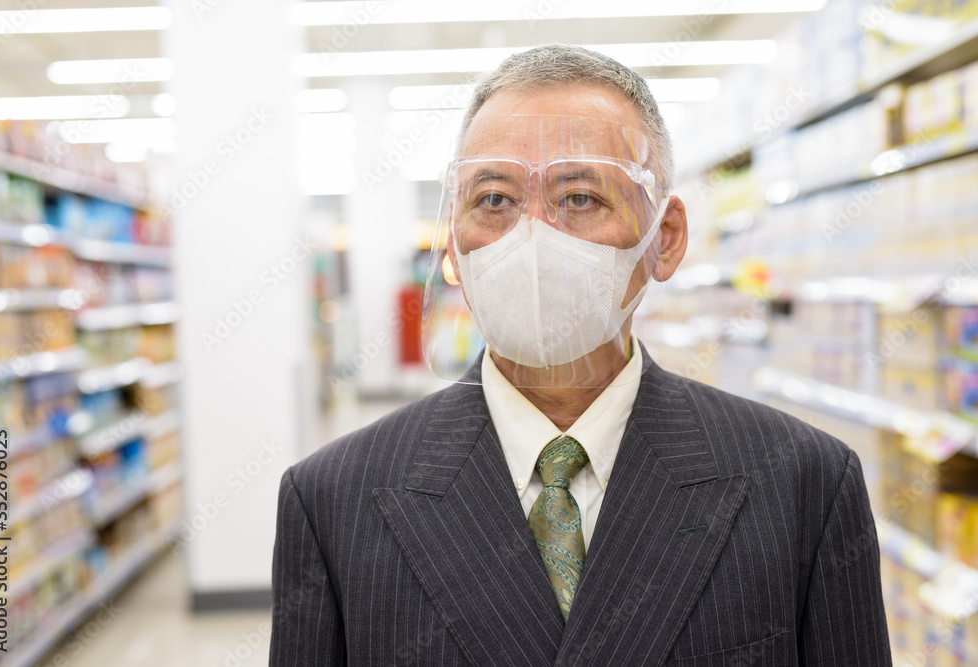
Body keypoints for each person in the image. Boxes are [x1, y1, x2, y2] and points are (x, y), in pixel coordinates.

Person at [270, 45, 891, 666]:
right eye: (494, 199)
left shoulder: (803, 485)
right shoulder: (331, 501)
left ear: (663, 240)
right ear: (453, 243)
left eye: (581, 198)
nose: (532, 236)